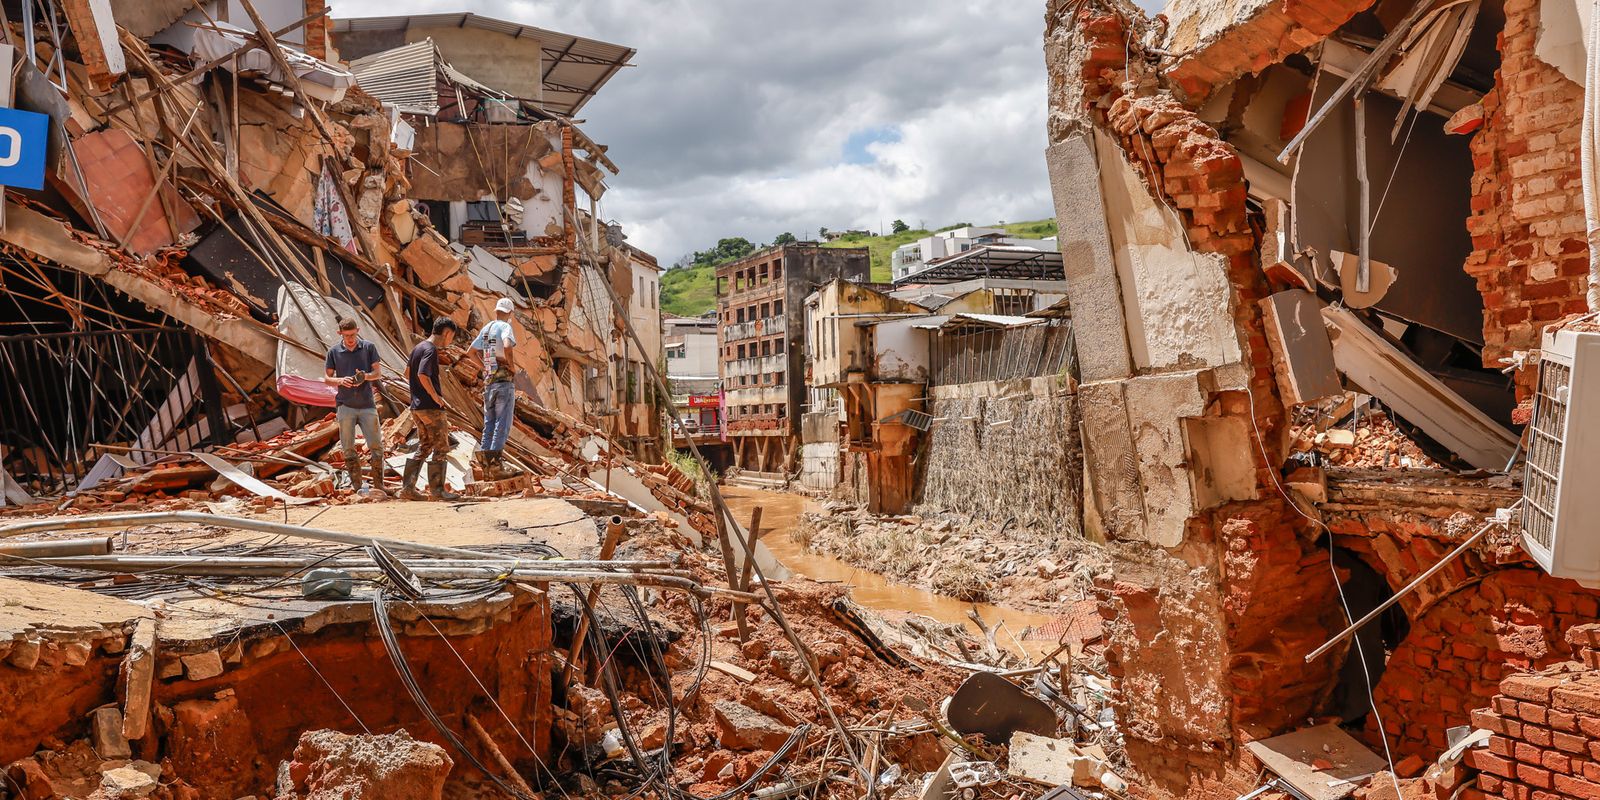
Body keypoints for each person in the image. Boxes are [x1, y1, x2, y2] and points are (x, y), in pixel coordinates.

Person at [400, 317, 460, 501]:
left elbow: (406, 373)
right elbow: (422, 374)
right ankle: (437, 491)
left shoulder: (417, 348)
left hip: (416, 407)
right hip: (431, 408)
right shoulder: (430, 350)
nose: (450, 341)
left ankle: (408, 488)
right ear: (447, 333)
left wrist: (416, 393)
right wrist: (436, 397)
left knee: (424, 446)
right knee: (441, 447)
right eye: (451, 337)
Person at [323, 318, 384, 495]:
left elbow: (377, 373)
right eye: (346, 335)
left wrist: (365, 377)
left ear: (358, 330)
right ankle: (357, 487)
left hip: (367, 404)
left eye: (353, 335)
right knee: (348, 447)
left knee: (376, 446)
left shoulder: (368, 348)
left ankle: (379, 487)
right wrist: (341, 380)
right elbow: (327, 378)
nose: (350, 339)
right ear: (339, 334)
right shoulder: (334, 351)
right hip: (345, 405)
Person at [471, 297, 519, 477]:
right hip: (503, 383)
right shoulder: (505, 327)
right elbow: (507, 345)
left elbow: (471, 352)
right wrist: (512, 365)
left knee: (489, 424)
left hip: (489, 383)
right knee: (502, 424)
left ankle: (486, 469)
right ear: (510, 313)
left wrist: (484, 367)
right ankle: (496, 467)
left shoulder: (486, 329)